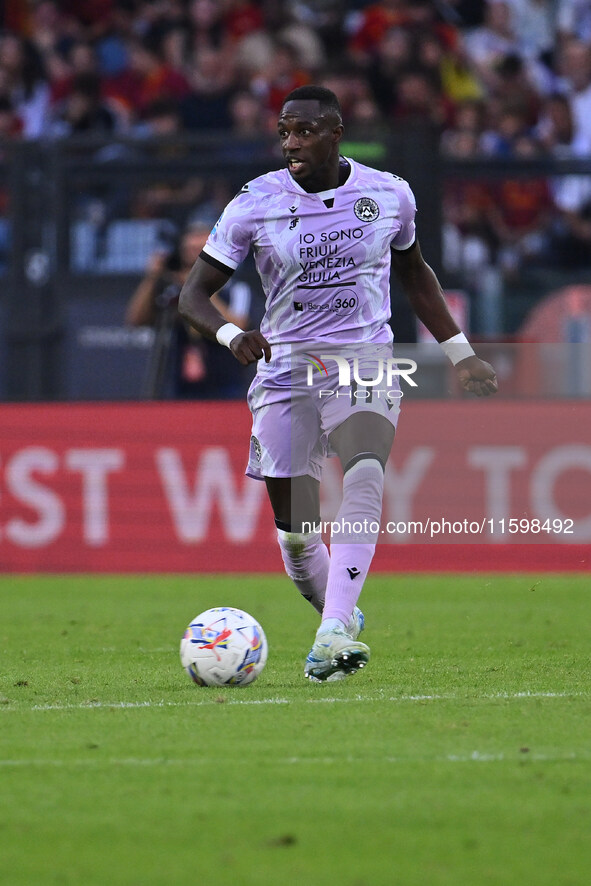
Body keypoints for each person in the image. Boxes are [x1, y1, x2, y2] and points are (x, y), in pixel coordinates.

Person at [178, 84, 498, 682]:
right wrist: (229, 336)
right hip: (285, 367)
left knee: (366, 467)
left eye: (304, 131)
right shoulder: (254, 203)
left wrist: (461, 353)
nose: (292, 143)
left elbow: (417, 275)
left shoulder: (388, 193)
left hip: (362, 355)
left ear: (335, 131)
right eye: (284, 132)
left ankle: (331, 633)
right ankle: (341, 615)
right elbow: (192, 295)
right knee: (298, 536)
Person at [127, 220, 254, 399]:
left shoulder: (235, 289)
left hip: (226, 385)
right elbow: (136, 319)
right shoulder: (173, 288)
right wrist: (152, 277)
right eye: (190, 251)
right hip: (180, 386)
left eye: (201, 252)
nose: (195, 258)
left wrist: (199, 288)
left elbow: (239, 325)